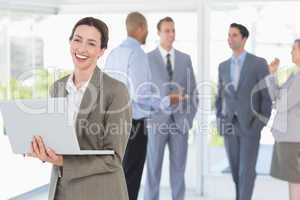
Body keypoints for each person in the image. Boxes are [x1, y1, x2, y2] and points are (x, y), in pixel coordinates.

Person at [28, 17, 132, 200]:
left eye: (91, 43)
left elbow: (113, 159)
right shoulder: (58, 88)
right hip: (62, 191)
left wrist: (63, 161)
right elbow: (56, 140)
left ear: (101, 51)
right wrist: (41, 149)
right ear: (70, 42)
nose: (82, 49)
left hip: (100, 192)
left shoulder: (116, 91)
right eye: (77, 39)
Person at [105, 12, 185, 200]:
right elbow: (141, 94)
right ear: (140, 27)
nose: (147, 32)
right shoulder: (138, 54)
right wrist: (167, 101)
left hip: (113, 125)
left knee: (117, 177)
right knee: (131, 178)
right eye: (147, 28)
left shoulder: (114, 54)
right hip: (134, 126)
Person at [143, 17, 198, 200]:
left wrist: (188, 120)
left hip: (180, 124)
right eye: (167, 30)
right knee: (152, 171)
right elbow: (142, 93)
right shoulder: (147, 59)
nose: (171, 34)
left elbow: (194, 93)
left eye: (173, 30)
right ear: (158, 33)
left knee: (178, 172)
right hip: (156, 123)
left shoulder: (185, 59)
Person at [215, 23, 272, 200]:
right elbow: (220, 97)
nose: (230, 39)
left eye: (234, 35)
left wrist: (258, 125)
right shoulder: (223, 66)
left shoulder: (258, 63)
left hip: (250, 127)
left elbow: (266, 99)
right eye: (229, 35)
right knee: (235, 171)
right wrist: (220, 122)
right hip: (229, 127)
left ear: (244, 38)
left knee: (246, 171)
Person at [267, 39, 300, 200]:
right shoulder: (295, 74)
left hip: (294, 139)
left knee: (295, 181)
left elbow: (281, 103)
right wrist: (272, 75)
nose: (291, 52)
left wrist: (278, 100)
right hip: (289, 138)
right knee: (293, 181)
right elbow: (276, 97)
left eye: (294, 49)